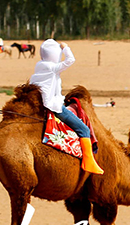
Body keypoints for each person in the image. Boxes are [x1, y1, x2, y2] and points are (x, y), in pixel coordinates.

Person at [29, 39, 103, 174]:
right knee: (84, 129)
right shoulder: (52, 68)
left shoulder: (39, 66)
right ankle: (89, 162)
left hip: (39, 104)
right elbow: (70, 60)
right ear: (55, 55)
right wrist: (65, 47)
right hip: (53, 106)